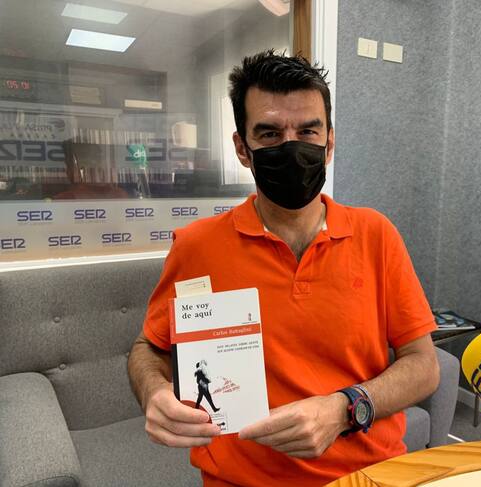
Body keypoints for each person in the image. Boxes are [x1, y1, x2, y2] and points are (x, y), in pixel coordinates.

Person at [127, 49, 440, 487]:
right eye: (270, 133)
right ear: (242, 148)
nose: (291, 147)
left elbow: (424, 364)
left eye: (308, 131)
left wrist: (345, 408)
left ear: (329, 143)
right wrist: (154, 393)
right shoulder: (197, 246)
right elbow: (149, 348)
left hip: (371, 475)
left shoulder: (377, 235)